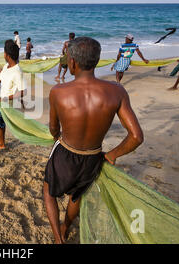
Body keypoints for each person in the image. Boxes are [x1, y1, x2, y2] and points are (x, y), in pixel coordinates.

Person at [43, 37, 144, 244]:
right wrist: (112, 155)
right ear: (97, 61)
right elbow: (136, 137)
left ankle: (58, 238)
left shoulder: (58, 92)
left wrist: (56, 138)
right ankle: (66, 226)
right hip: (93, 158)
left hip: (66, 151)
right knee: (77, 196)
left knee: (48, 190)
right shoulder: (117, 91)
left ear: (72, 62)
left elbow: (54, 128)